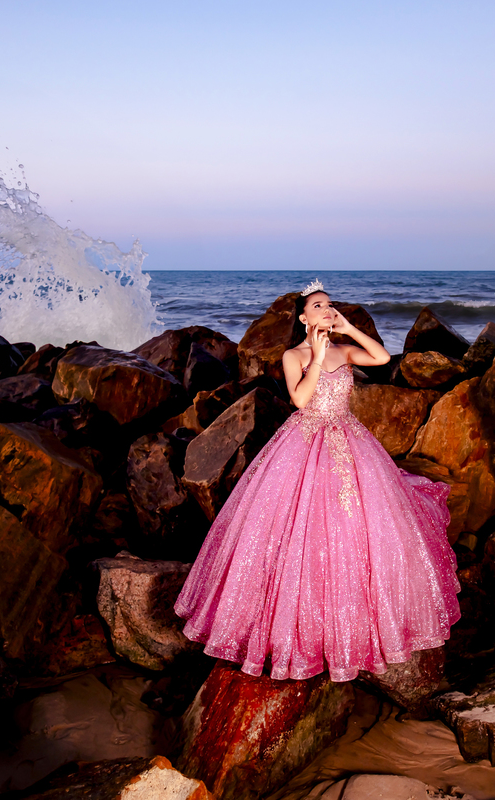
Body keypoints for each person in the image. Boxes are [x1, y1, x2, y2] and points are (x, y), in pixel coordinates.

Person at [173, 279, 461, 682]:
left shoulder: (344, 349)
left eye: (330, 305)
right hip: (305, 441)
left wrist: (347, 328)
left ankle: (356, 624)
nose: (327, 309)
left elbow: (381, 357)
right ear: (304, 317)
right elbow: (301, 399)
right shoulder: (293, 355)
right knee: (298, 527)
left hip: (348, 439)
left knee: (358, 526)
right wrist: (317, 353)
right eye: (319, 306)